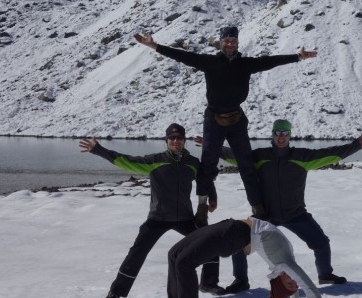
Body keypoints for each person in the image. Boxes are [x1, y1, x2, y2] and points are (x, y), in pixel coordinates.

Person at [134, 26, 316, 213]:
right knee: (208, 164)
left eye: (233, 40)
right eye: (226, 40)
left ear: (237, 43)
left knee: (246, 165)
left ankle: (257, 207)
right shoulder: (209, 62)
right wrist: (154, 46)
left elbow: (271, 61)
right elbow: (182, 56)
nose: (230, 43)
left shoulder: (246, 64)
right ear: (220, 43)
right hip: (213, 119)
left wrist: (297, 57)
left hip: (236, 119)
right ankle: (202, 207)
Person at [214, 119, 362, 294]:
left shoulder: (302, 156)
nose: (281, 137)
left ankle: (325, 274)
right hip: (266, 216)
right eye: (278, 133)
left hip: (296, 214)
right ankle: (241, 280)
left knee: (321, 243)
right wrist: (214, 146)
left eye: (285, 133)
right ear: (273, 135)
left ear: (289, 135)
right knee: (239, 242)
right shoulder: (261, 156)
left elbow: (329, 154)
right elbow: (239, 157)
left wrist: (355, 146)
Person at [79, 123, 221, 298]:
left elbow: (205, 180)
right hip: (158, 218)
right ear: (166, 140)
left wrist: (213, 197)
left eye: (179, 138)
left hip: (185, 218)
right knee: (137, 253)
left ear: (184, 140)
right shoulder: (154, 161)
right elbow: (125, 160)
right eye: (172, 138)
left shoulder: (192, 163)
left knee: (210, 241)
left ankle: (208, 283)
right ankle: (116, 292)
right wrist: (99, 150)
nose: (176, 141)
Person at [159, 216, 330, 298]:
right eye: (294, 283)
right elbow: (302, 287)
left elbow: (309, 288)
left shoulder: (286, 265)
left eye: (291, 284)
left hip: (233, 235)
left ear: (280, 281)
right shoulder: (288, 264)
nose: (295, 281)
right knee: (173, 254)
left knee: (184, 264)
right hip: (232, 226)